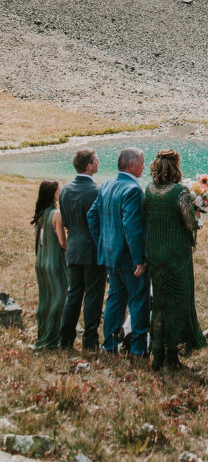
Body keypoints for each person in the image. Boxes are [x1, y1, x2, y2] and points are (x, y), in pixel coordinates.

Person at [145, 149, 206, 370]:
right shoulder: (179, 192)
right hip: (175, 254)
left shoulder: (149, 189)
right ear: (175, 167)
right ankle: (172, 356)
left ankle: (157, 355)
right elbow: (189, 222)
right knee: (178, 303)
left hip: (155, 252)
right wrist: (196, 213)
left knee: (160, 304)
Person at [87, 147, 150, 362]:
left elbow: (92, 216)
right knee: (139, 300)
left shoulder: (106, 185)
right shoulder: (133, 190)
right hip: (129, 259)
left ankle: (110, 344)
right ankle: (138, 349)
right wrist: (139, 258)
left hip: (110, 255)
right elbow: (132, 227)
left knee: (115, 299)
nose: (144, 165)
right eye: (142, 162)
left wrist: (103, 244)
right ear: (132, 165)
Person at [59, 148, 107, 352]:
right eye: (96, 160)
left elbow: (66, 220)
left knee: (73, 295)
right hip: (93, 250)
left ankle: (66, 339)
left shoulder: (65, 190)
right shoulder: (98, 191)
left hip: (73, 248)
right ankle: (90, 341)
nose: (98, 163)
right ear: (89, 166)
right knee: (93, 297)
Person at [32, 180, 68, 349]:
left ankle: (43, 335)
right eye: (58, 190)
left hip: (41, 261)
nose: (60, 192)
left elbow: (38, 242)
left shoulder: (40, 214)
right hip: (54, 263)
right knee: (58, 300)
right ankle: (52, 339)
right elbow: (62, 242)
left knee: (45, 300)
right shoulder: (56, 214)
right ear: (52, 193)